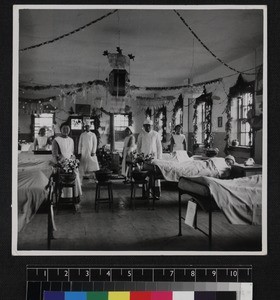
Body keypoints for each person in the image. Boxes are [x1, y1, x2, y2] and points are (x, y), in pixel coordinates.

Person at [52, 124, 82, 205]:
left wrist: (73, 160)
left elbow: (72, 152)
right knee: (62, 178)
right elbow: (55, 154)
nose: (66, 130)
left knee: (74, 176)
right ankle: (63, 199)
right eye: (64, 129)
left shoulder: (71, 140)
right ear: (60, 129)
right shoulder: (56, 140)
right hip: (61, 163)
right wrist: (60, 163)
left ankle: (73, 197)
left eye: (67, 129)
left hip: (71, 162)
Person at [137, 118, 163, 197]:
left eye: (149, 126)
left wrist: (159, 158)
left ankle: (156, 194)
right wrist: (140, 156)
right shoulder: (141, 134)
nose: (148, 128)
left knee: (155, 177)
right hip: (145, 159)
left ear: (152, 126)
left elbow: (159, 147)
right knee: (146, 176)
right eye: (146, 126)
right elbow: (138, 146)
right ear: (143, 126)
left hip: (154, 159)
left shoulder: (155, 134)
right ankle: (146, 194)